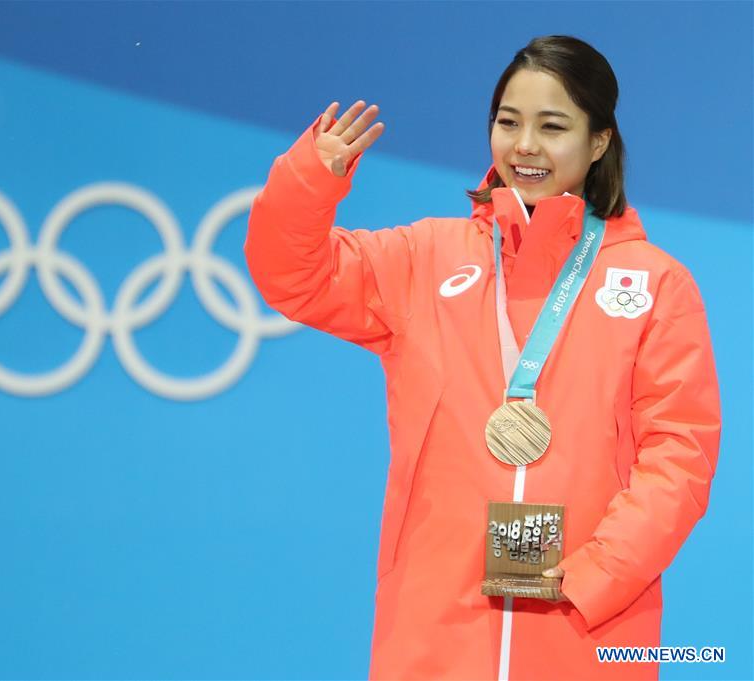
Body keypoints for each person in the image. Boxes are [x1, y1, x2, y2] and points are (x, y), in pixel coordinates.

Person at [244, 35, 721, 681]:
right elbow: (292, 276)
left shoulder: (654, 283)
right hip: (435, 630)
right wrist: (311, 179)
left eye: (553, 126)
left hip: (587, 626)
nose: (525, 145)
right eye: (508, 122)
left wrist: (595, 574)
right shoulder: (425, 259)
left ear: (600, 141)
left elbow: (680, 454)